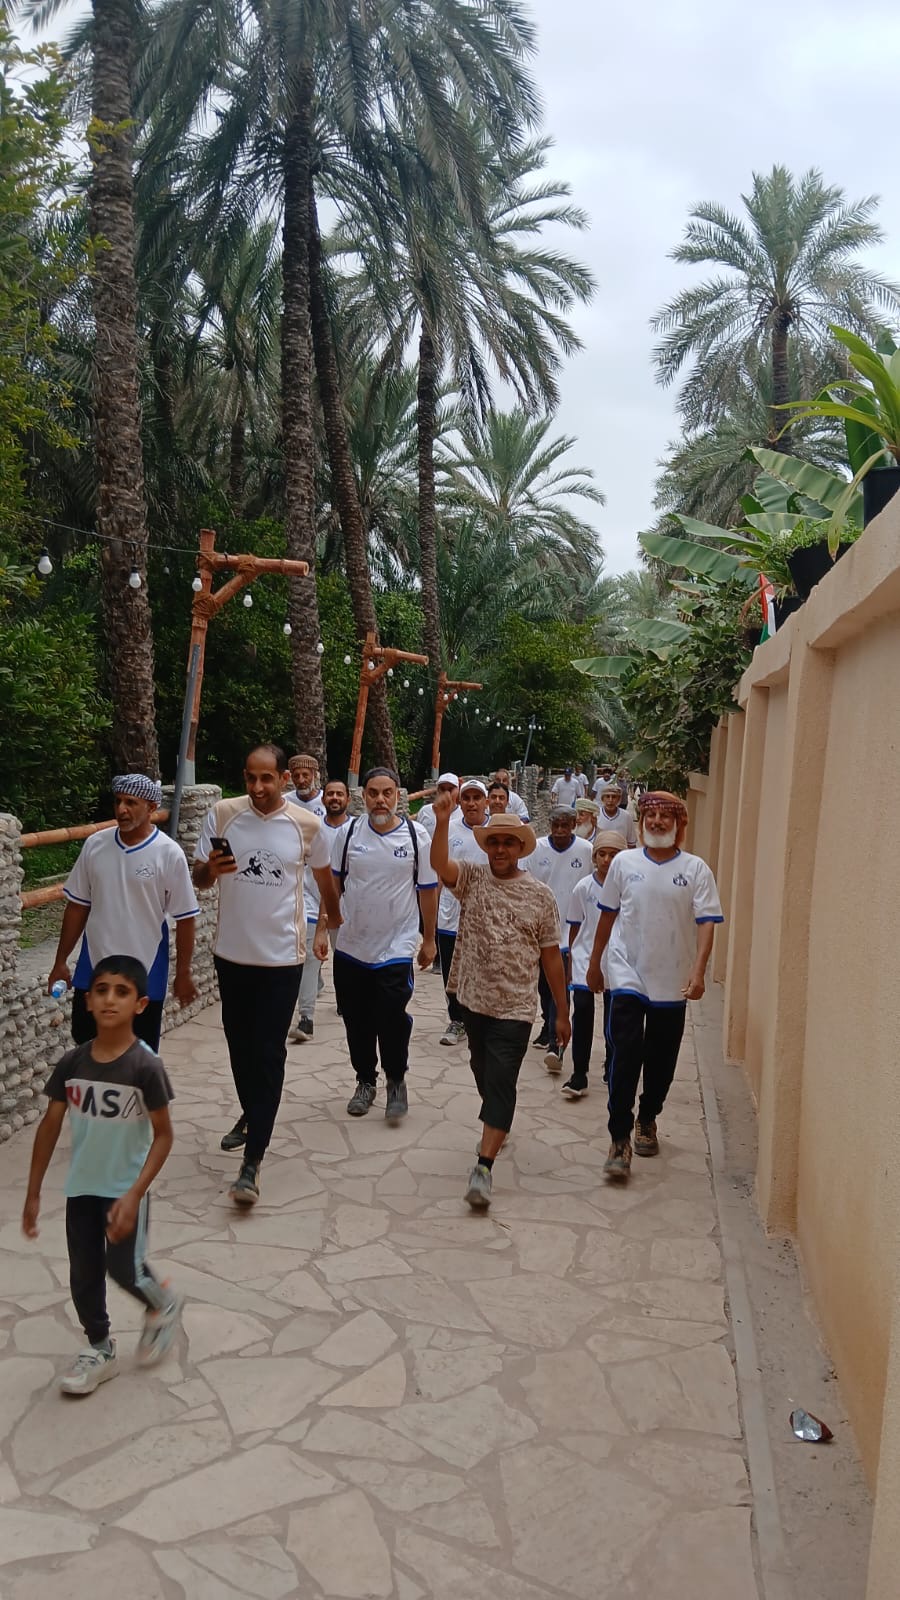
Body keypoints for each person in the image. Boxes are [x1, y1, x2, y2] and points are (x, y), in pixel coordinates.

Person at [22, 955, 182, 1396]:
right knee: (84, 1274)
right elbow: (49, 1126)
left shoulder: (145, 1066)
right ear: (88, 1001)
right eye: (101, 990)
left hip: (125, 1189)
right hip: (82, 1188)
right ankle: (99, 1348)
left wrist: (134, 1194)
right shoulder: (72, 1063)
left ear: (140, 1004)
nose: (110, 999)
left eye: (122, 992)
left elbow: (164, 1136)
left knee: (124, 1269)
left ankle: (163, 1302)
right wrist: (33, 1192)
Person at [193, 744, 338, 1206]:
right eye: (251, 778)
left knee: (269, 1052)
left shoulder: (307, 825)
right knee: (240, 1046)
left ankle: (252, 1161)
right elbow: (200, 878)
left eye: (267, 778)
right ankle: (253, 1112)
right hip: (232, 955)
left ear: (283, 779)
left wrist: (328, 926)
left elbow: (326, 882)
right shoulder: (223, 815)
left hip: (282, 959)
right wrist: (209, 870)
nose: (258, 787)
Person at [430, 795, 570, 1211]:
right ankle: (496, 1119)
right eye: (494, 842)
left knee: (502, 1080)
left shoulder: (540, 896)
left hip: (516, 1007)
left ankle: (484, 1167)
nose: (501, 849)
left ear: (520, 848)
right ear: (487, 847)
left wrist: (562, 1012)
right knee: (483, 1071)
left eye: (509, 842)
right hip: (473, 999)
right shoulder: (472, 878)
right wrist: (442, 821)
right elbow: (440, 866)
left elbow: (551, 957)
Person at [586, 791, 723, 1182]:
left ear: (679, 825)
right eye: (651, 815)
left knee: (662, 1060)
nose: (657, 821)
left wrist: (698, 971)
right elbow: (607, 916)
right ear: (642, 821)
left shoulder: (696, 869)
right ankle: (619, 1138)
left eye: (666, 816)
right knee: (625, 1052)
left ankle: (648, 1116)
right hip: (626, 972)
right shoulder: (624, 863)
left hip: (672, 979)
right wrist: (594, 964)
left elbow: (707, 922)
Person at [48, 774, 199, 1052]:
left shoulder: (168, 853)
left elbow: (186, 918)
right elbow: (78, 906)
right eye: (118, 801)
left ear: (151, 807)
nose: (122, 809)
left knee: (138, 1055)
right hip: (94, 967)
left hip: (145, 971)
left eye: (131, 802)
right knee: (86, 1045)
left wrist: (183, 973)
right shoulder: (95, 845)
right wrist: (60, 961)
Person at [332, 767, 438, 1122]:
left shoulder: (416, 836)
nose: (380, 800)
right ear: (363, 796)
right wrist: (325, 929)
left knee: (391, 1016)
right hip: (351, 945)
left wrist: (429, 939)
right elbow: (333, 884)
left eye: (387, 793)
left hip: (396, 944)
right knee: (356, 1019)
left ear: (397, 795)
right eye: (373, 793)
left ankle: (396, 1080)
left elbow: (427, 891)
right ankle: (365, 1081)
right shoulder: (348, 833)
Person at [562, 832, 627, 1099]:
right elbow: (575, 926)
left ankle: (612, 1065)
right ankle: (579, 1073)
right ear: (594, 857)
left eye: (613, 855)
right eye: (602, 854)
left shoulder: (628, 888)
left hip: (617, 958)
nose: (607, 860)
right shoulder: (583, 888)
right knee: (583, 1010)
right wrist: (571, 961)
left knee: (615, 1016)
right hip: (585, 956)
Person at [527, 809, 593, 1070]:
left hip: (572, 931)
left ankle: (557, 1046)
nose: (560, 830)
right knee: (544, 987)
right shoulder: (537, 849)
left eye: (565, 825)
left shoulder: (586, 850)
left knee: (560, 989)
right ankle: (548, 1025)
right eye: (555, 825)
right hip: (542, 930)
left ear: (574, 825)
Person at [291, 776, 349, 1042]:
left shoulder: (355, 830)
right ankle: (306, 1018)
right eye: (330, 794)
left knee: (344, 958)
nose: (334, 798)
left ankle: (345, 999)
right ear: (323, 798)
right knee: (310, 957)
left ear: (347, 799)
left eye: (339, 794)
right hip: (312, 902)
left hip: (347, 906)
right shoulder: (311, 828)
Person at [436, 779, 490, 1047]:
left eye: (477, 798)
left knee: (483, 969)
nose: (471, 803)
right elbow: (438, 870)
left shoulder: (496, 832)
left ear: (486, 802)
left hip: (485, 917)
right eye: (466, 798)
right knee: (451, 971)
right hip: (450, 916)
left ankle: (480, 1019)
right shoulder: (449, 829)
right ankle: (457, 1020)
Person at [594, 779, 638, 847]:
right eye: (607, 796)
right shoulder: (595, 814)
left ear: (619, 799)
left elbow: (631, 842)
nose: (610, 800)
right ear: (602, 799)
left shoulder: (626, 816)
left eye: (614, 797)